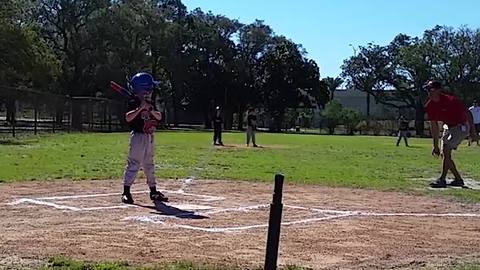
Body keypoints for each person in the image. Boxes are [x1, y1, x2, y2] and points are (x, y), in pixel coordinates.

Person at [121, 72, 168, 204]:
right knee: (134, 163)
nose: (150, 91)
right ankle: (126, 191)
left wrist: (150, 109)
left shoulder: (151, 103)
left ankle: (153, 191)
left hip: (149, 137)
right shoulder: (133, 102)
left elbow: (159, 117)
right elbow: (128, 117)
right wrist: (140, 108)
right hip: (137, 136)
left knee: (149, 164)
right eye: (148, 89)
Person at [423, 80, 478, 188]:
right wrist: (435, 146)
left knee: (447, 150)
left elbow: (469, 113)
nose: (429, 92)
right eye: (427, 90)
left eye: (431, 90)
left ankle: (442, 179)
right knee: (445, 154)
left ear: (439, 90)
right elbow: (434, 126)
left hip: (461, 126)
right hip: (448, 126)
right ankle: (458, 179)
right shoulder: (430, 105)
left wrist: (473, 132)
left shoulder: (451, 100)